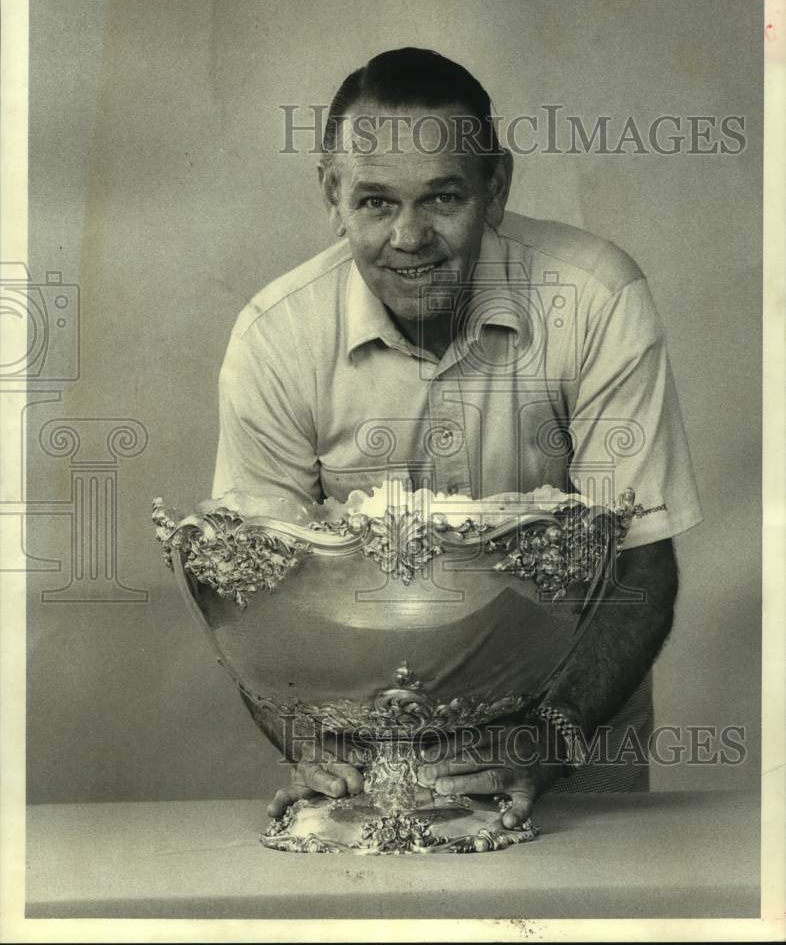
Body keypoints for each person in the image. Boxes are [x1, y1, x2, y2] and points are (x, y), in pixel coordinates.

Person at [212, 48, 703, 829]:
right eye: (375, 202)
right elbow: (252, 590)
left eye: (442, 197)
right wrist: (303, 735)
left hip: (571, 734)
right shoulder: (275, 338)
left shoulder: (597, 296)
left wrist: (550, 740)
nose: (410, 237)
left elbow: (641, 564)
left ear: (496, 187)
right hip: (367, 755)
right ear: (331, 195)